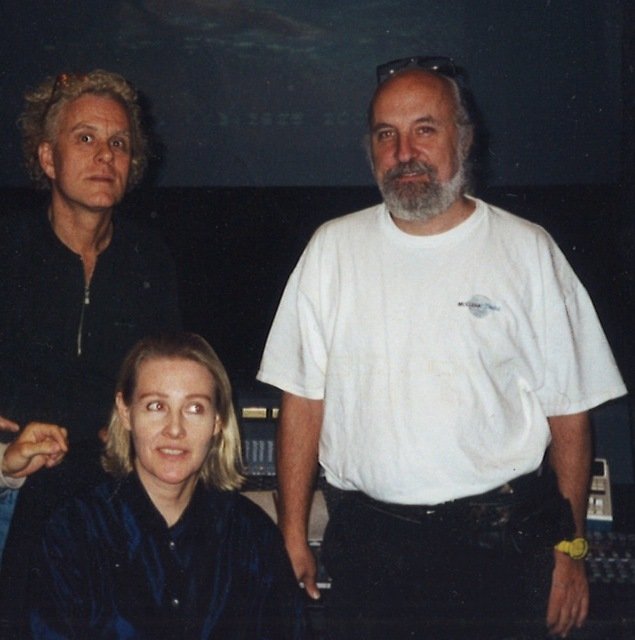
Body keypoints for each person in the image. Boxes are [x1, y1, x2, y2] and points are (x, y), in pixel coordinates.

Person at [257, 56, 627, 639]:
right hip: (370, 550)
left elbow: (571, 416)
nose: (405, 151)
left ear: (465, 138)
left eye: (424, 129)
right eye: (387, 134)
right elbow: (302, 404)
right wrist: (291, 535)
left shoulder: (528, 251)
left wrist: (571, 550)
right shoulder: (331, 251)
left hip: (503, 546)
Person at [0, 69, 181, 629]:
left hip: (112, 495)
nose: (105, 154)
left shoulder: (150, 262)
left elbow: (169, 383)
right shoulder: (8, 250)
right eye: (86, 138)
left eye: (119, 142)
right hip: (10, 487)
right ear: (48, 159)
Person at [27, 332, 305, 639]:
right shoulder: (73, 534)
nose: (175, 429)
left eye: (195, 408)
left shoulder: (252, 538)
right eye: (156, 406)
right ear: (125, 411)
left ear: (218, 421)